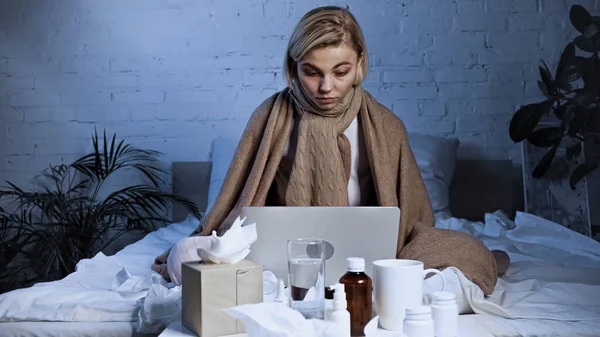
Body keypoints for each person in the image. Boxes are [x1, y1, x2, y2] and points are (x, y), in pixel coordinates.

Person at [152, 5, 510, 295]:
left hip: (364, 252)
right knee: (186, 253)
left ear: (359, 65)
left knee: (465, 253)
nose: (326, 87)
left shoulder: (386, 126)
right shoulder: (268, 117)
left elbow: (412, 217)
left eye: (340, 72)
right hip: (279, 251)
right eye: (312, 72)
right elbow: (239, 201)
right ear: (293, 67)